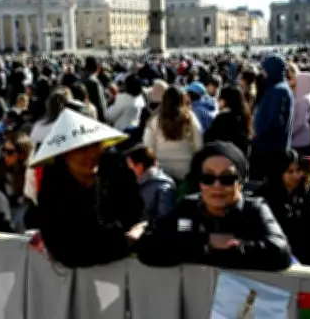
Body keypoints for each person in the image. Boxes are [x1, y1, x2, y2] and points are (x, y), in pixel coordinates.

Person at [135, 142, 292, 271]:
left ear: (241, 183)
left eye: (227, 178)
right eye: (208, 178)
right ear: (199, 182)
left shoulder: (255, 209)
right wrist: (205, 241)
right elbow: (147, 246)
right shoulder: (188, 206)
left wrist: (237, 248)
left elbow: (281, 252)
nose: (217, 186)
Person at [33, 108, 146, 268]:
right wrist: (126, 241)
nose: (92, 154)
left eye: (95, 145)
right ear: (64, 154)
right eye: (82, 149)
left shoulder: (116, 170)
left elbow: (136, 215)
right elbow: (67, 250)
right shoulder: (53, 187)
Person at [257, 150, 310, 266]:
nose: (296, 176)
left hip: (306, 258)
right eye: (290, 171)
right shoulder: (263, 196)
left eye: (299, 170)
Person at [143, 87, 203, 182]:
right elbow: (199, 144)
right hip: (186, 169)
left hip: (162, 169)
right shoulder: (190, 118)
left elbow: (147, 145)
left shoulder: (154, 120)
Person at [251, 54, 294, 181]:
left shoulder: (278, 90)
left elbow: (275, 120)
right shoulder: (277, 88)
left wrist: (258, 133)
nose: (263, 73)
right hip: (271, 146)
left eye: (265, 70)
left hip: (270, 149)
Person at [124, 144, 176, 224]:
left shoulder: (164, 186)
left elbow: (163, 218)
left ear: (139, 166)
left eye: (131, 166)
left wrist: (144, 227)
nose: (129, 169)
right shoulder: (135, 182)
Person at [204, 85, 253, 156]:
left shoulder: (222, 118)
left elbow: (209, 139)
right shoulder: (244, 116)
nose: (217, 101)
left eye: (219, 98)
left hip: (224, 161)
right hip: (240, 160)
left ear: (224, 101)